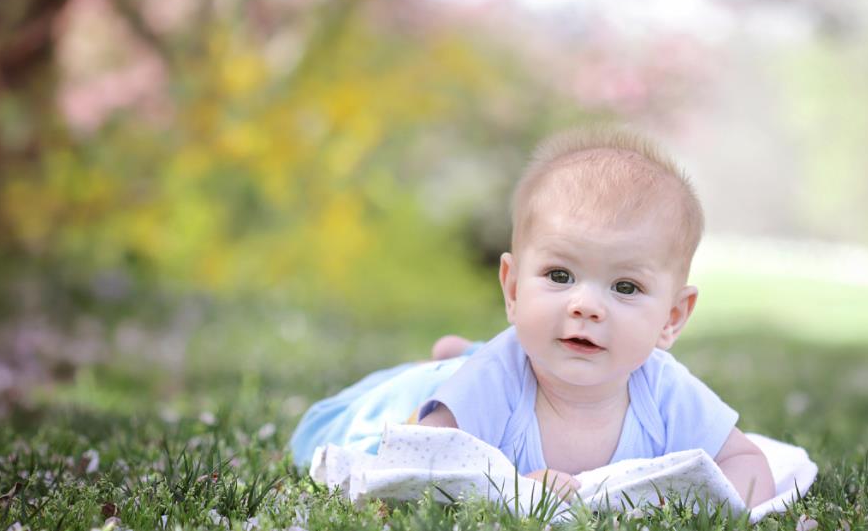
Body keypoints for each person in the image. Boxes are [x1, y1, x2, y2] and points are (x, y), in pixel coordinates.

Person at [291, 126, 774, 507]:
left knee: (480, 368)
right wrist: (510, 489)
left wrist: (685, 502)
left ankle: (460, 352)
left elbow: (746, 463)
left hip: (504, 362)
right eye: (560, 275)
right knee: (337, 428)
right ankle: (450, 365)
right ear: (514, 288)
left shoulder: (666, 391)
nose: (585, 305)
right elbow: (416, 462)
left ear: (671, 317)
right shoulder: (497, 381)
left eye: (625, 287)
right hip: (436, 397)